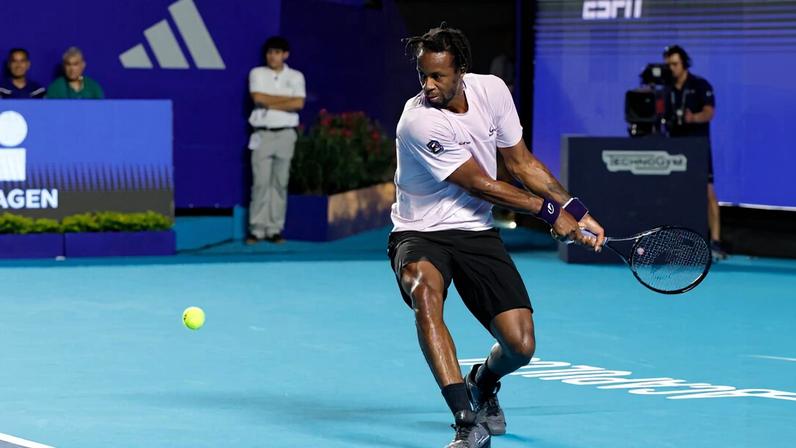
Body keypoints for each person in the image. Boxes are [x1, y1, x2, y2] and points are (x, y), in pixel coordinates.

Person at [388, 23, 604, 448]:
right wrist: (548, 212)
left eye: (438, 76)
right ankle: (466, 421)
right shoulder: (417, 122)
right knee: (424, 293)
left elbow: (521, 164)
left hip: (475, 232)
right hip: (419, 231)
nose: (428, 86)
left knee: (520, 345)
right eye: (422, 76)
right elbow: (481, 184)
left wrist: (576, 210)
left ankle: (482, 383)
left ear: (462, 71)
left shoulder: (493, 92)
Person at [663, 45, 726, 260]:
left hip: (698, 147)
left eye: (675, 64)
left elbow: (709, 112)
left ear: (684, 64)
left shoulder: (700, 85)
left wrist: (693, 118)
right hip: (673, 148)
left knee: (708, 192)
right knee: (675, 195)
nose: (671, 68)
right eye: (668, 65)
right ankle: (679, 242)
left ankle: (716, 241)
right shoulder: (666, 88)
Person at [246, 36, 306, 244]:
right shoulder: (257, 73)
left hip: (286, 134)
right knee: (260, 183)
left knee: (280, 183)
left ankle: (274, 229)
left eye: (277, 52)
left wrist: (269, 101)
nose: (273, 56)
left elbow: (298, 103)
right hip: (262, 133)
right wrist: (284, 101)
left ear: (285, 55)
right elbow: (258, 98)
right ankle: (257, 229)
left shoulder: (296, 76)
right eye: (270, 52)